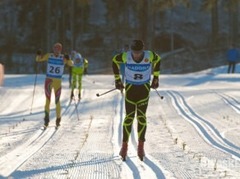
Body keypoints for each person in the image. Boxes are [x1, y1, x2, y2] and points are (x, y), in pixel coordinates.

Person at [112, 39, 161, 160]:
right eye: (134, 52)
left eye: (139, 52)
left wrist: (156, 78)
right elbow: (114, 61)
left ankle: (141, 146)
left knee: (141, 117)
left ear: (142, 50)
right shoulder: (126, 56)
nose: (137, 54)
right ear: (131, 50)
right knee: (129, 117)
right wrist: (117, 80)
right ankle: (124, 146)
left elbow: (158, 59)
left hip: (144, 89)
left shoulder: (149, 55)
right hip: (130, 89)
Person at [36, 42, 73, 128]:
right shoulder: (49, 55)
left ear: (60, 50)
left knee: (57, 101)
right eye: (55, 49)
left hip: (57, 82)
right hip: (48, 81)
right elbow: (38, 60)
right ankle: (46, 119)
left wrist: (69, 59)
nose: (56, 51)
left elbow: (71, 64)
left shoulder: (63, 58)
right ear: (53, 49)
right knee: (47, 100)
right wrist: (38, 54)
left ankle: (58, 118)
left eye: (58, 49)